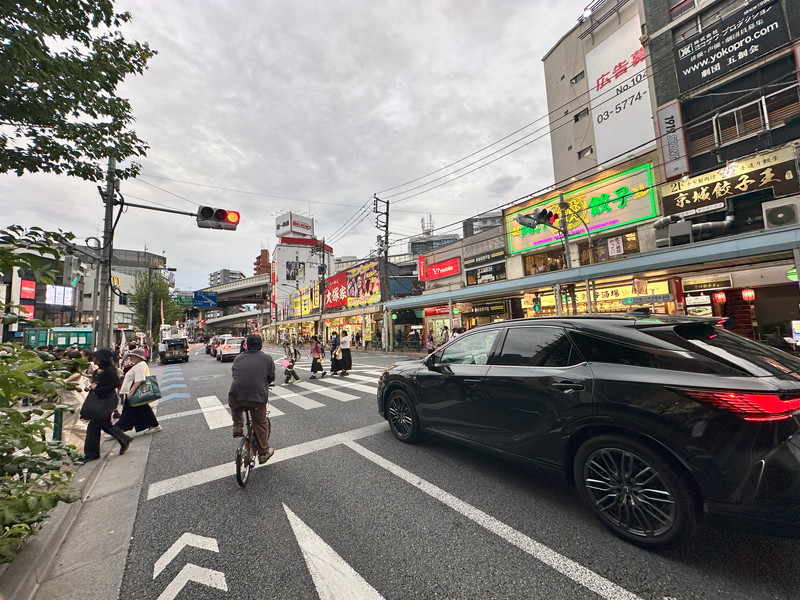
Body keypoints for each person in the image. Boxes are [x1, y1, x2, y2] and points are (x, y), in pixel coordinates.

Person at [228, 334, 275, 464]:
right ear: (261, 345)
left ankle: (237, 426)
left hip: (236, 394)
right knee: (260, 422)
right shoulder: (267, 358)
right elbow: (271, 377)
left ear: (246, 345)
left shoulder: (238, 358)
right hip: (257, 397)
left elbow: (234, 374)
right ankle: (263, 453)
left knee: (236, 406)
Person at [83, 348, 131, 462]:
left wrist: (98, 389)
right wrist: (92, 386)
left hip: (107, 401)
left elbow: (115, 384)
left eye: (96, 358)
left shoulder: (110, 370)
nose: (94, 360)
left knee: (94, 425)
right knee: (105, 425)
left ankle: (91, 454)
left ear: (101, 359)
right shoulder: (98, 370)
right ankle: (124, 440)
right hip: (99, 400)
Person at [116, 348, 161, 435]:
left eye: (132, 356)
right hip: (138, 392)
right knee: (143, 409)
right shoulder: (142, 364)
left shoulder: (139, 366)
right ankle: (154, 425)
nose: (131, 358)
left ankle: (117, 430)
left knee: (130, 412)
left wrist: (131, 392)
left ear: (138, 357)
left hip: (135, 392)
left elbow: (140, 380)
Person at [57, 349, 87, 449]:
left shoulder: (76, 374)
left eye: (66, 360)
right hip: (69, 402)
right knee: (75, 425)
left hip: (72, 403)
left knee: (65, 427)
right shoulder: (67, 373)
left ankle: (61, 450)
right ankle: (93, 438)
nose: (64, 362)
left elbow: (63, 383)